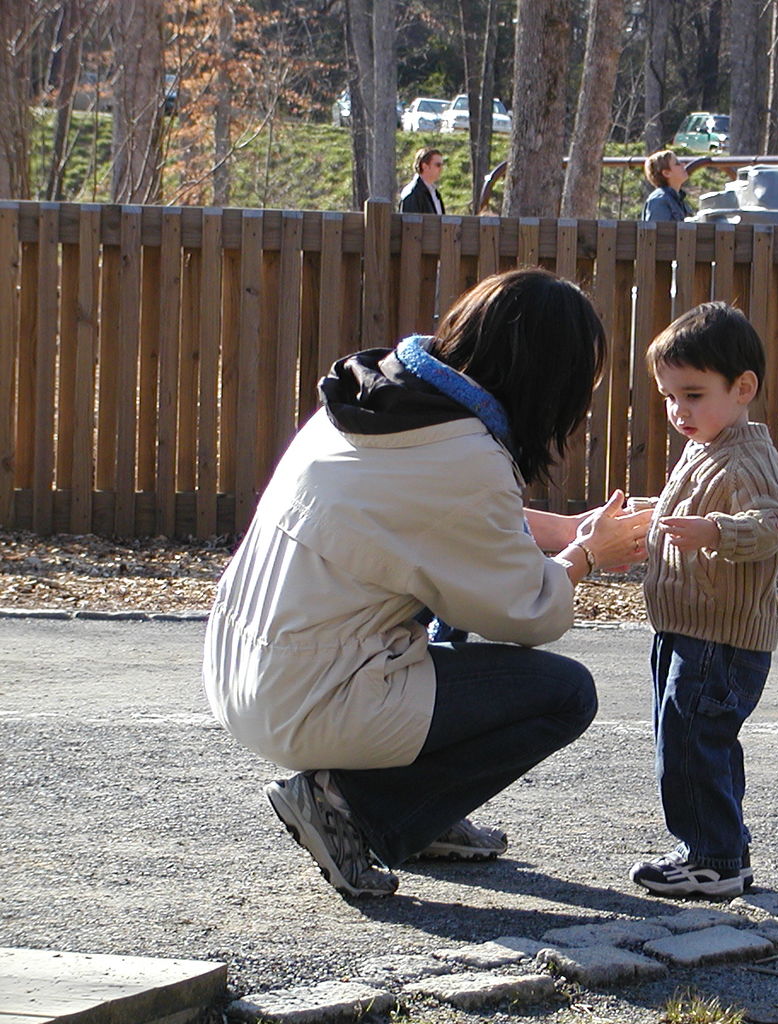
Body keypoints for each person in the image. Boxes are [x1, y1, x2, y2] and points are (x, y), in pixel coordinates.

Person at [202, 268, 653, 898]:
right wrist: (588, 554)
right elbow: (530, 612)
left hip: (243, 665)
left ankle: (425, 814)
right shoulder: (464, 457)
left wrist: (567, 529)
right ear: (549, 379)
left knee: (454, 611)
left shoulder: (379, 397)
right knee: (564, 694)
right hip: (311, 697)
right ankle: (352, 807)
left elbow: (441, 521)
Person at [627, 303, 778, 899]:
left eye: (693, 395)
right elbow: (686, 511)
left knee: (692, 743)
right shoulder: (707, 449)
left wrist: (719, 532)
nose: (679, 411)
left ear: (743, 387)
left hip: (720, 639)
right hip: (684, 628)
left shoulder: (748, 457)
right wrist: (647, 526)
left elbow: (771, 523)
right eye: (670, 397)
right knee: (693, 740)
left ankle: (713, 858)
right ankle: (724, 849)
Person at [641, 149, 692, 222]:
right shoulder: (658, 200)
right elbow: (655, 232)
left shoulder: (678, 198)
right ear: (666, 173)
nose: (683, 165)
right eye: (677, 163)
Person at [399, 147, 445, 215]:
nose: (441, 169)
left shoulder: (434, 193)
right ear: (425, 166)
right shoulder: (412, 193)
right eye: (438, 165)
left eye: (442, 165)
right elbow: (410, 224)